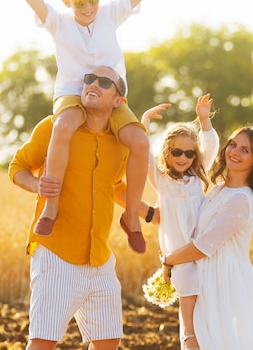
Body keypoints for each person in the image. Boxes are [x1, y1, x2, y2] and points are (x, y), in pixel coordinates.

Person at [3, 0, 200, 253]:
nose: (88, 8)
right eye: (79, 3)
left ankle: (132, 219)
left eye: (92, 0)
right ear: (68, 3)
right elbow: (40, 6)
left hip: (111, 94)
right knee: (63, 126)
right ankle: (51, 207)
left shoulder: (110, 14)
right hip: (72, 92)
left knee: (138, 141)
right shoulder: (60, 23)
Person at [9, 66, 155, 350]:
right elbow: (17, 167)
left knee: (108, 341)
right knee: (42, 342)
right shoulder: (54, 127)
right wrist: (37, 185)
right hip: (57, 253)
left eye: (104, 82)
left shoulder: (120, 143)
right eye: (89, 79)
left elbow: (114, 187)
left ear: (118, 101)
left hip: (100, 257)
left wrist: (148, 213)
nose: (93, 84)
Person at [153, 126, 253, 350]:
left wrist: (169, 260)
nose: (235, 152)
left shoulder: (241, 198)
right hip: (206, 282)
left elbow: (203, 246)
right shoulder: (218, 189)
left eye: (245, 150)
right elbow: (184, 219)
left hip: (225, 285)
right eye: (232, 145)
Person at [140, 94, 219, 350]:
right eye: (176, 152)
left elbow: (211, 145)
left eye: (189, 153)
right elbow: (142, 153)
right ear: (167, 151)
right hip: (179, 257)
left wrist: (204, 120)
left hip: (203, 253)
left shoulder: (198, 177)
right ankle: (189, 343)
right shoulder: (162, 182)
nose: (183, 157)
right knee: (188, 314)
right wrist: (145, 122)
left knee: (207, 311)